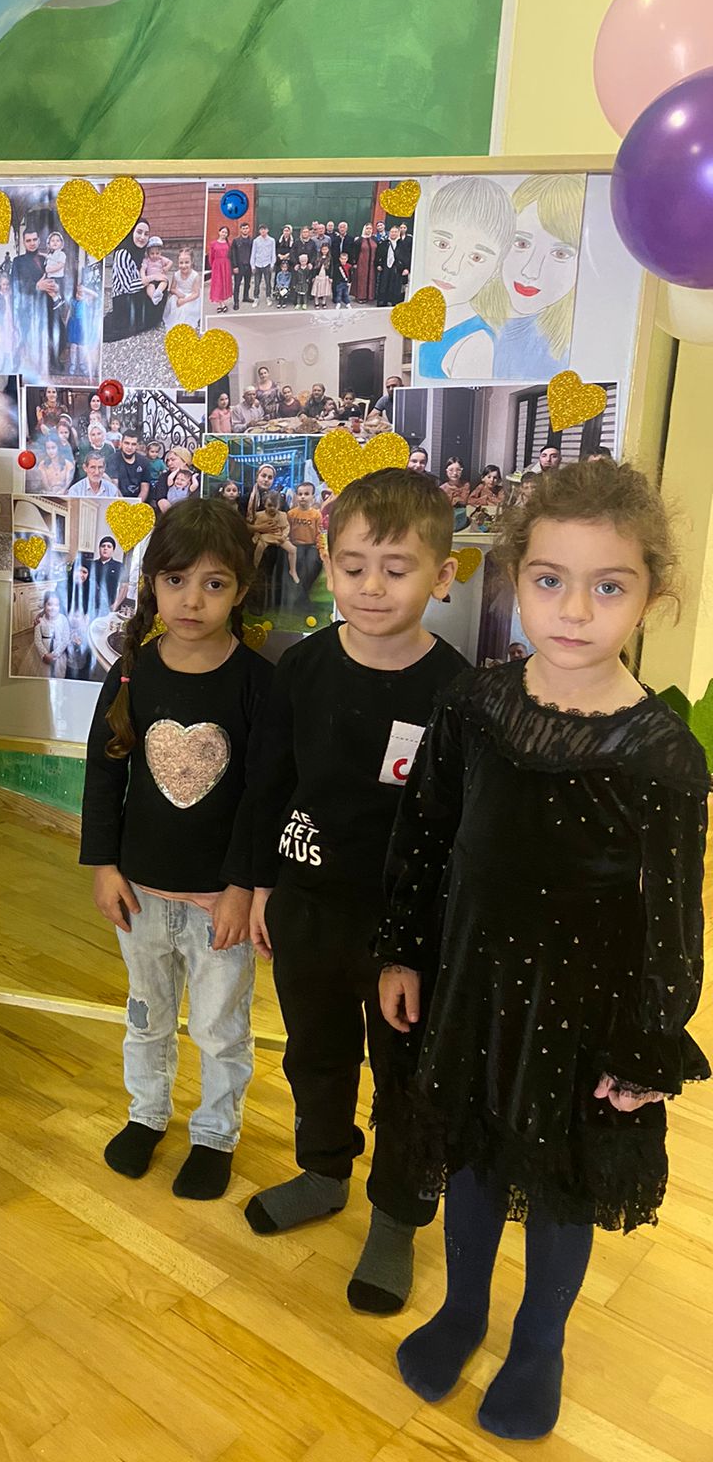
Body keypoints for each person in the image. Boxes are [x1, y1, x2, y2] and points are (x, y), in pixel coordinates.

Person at [376, 462, 708, 1441]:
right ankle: (464, 1310)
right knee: (472, 1159)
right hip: (472, 987)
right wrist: (403, 951)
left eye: (609, 586)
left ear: (652, 594)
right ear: (515, 576)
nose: (575, 609)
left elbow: (674, 919)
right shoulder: (472, 707)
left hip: (583, 1013)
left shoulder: (661, 754)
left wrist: (647, 1046)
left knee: (560, 1184)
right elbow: (425, 836)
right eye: (551, 580)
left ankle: (538, 1344)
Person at [247, 469, 470, 1320]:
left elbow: (457, 830)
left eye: (396, 569)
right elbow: (268, 787)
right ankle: (323, 1170)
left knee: (406, 1075)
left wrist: (423, 942)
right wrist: (258, 884)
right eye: (353, 566)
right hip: (307, 908)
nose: (371, 587)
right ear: (329, 565)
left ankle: (397, 1215)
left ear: (441, 576)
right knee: (315, 1051)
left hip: (405, 931)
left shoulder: (458, 694)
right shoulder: (301, 668)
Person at [80, 498, 272, 1199]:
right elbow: (104, 772)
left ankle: (215, 1134)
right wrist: (104, 865)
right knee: (146, 1015)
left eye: (214, 584)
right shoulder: (133, 671)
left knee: (220, 1029)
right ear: (152, 584)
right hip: (140, 892)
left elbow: (266, 796)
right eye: (176, 580)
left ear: (240, 591)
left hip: (220, 901)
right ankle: (147, 1114)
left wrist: (244, 888)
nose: (193, 600)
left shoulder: (258, 683)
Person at [475, 173, 584, 380]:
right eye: (522, 243)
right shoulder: (461, 315)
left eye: (560, 254)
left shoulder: (567, 354)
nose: (531, 271)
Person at [415, 178, 515, 379]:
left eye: (476, 257)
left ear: (496, 270)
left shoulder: (474, 342)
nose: (451, 267)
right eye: (442, 244)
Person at [10, 227, 51, 375]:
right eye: (28, 240)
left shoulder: (46, 260)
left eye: (34, 239)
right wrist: (36, 286)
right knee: (24, 341)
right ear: (24, 242)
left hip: (44, 307)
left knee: (43, 340)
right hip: (26, 309)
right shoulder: (18, 262)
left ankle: (43, 369)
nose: (32, 243)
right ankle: (19, 371)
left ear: (39, 241)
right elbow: (16, 286)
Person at [105, 219, 150, 341]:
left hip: (136, 298)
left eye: (146, 234)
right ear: (131, 232)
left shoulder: (139, 253)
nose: (142, 237)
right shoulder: (123, 253)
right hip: (123, 300)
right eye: (139, 232)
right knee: (123, 330)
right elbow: (127, 287)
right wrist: (150, 279)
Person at [250, 491, 299, 581]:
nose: (272, 508)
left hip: (279, 537)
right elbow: (257, 528)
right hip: (265, 537)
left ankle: (293, 570)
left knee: (293, 549)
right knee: (259, 548)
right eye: (269, 505)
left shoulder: (283, 515)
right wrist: (256, 536)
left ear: (279, 506)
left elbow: (286, 527)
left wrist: (284, 536)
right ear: (264, 504)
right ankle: (254, 568)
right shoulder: (259, 515)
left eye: (275, 506)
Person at [287, 481, 323, 599]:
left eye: (306, 494)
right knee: (299, 561)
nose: (303, 497)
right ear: (296, 496)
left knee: (313, 563)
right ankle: (299, 593)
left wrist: (320, 548)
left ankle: (304, 591)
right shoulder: (291, 514)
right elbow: (287, 531)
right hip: (295, 546)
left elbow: (319, 534)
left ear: (313, 496)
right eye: (300, 494)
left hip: (311, 545)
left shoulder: (316, 515)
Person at [151, 446, 201, 513]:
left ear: (184, 461)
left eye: (173, 460)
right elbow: (161, 499)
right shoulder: (165, 476)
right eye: (168, 460)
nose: (169, 463)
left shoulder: (196, 478)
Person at [34, 591, 71, 679]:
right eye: (49, 604)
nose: (53, 608)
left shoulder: (63, 619)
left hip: (58, 655)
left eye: (56, 605)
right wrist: (44, 654)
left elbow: (65, 639)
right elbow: (37, 640)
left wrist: (54, 654)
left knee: (59, 674)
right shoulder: (40, 621)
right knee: (45, 675)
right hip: (44, 654)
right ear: (44, 605)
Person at [164, 247, 202, 329]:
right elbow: (172, 289)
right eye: (181, 263)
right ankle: (175, 321)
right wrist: (178, 294)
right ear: (178, 263)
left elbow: (196, 293)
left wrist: (184, 300)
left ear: (192, 262)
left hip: (191, 296)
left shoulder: (195, 276)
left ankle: (185, 324)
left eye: (187, 262)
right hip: (180, 294)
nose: (183, 265)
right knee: (174, 303)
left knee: (185, 307)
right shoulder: (176, 274)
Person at [140, 236, 173, 329]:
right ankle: (153, 297)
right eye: (152, 253)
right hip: (151, 279)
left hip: (160, 278)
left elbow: (170, 262)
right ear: (148, 253)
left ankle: (158, 292)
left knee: (164, 282)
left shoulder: (161, 259)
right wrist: (143, 277)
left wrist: (166, 268)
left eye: (157, 253)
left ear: (160, 253)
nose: (155, 255)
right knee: (150, 287)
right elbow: (142, 269)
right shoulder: (146, 261)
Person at [110, 431, 152, 501]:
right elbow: (114, 487)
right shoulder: (113, 459)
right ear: (121, 443)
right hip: (119, 500)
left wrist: (136, 504)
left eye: (133, 444)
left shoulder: (144, 462)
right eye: (127, 443)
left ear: (137, 446)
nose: (130, 447)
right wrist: (124, 504)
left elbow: (145, 489)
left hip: (139, 502)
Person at [208, 224, 233, 315]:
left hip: (226, 265)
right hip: (217, 266)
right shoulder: (213, 243)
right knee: (218, 284)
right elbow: (211, 256)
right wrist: (213, 266)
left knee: (224, 284)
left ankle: (222, 303)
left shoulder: (229, 243)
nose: (224, 234)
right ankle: (220, 304)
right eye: (223, 232)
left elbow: (231, 255)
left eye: (226, 232)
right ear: (219, 232)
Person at [251, 225, 276, 306]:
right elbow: (253, 253)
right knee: (256, 283)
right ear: (259, 231)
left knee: (268, 282)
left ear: (267, 230)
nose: (263, 231)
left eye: (264, 229)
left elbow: (273, 253)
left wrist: (272, 264)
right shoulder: (256, 241)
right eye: (261, 230)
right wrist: (252, 265)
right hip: (258, 264)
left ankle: (268, 297)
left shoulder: (271, 240)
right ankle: (256, 298)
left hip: (267, 263)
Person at [230, 220, 253, 309]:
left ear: (249, 229)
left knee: (247, 283)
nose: (245, 230)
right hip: (239, 266)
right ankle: (236, 302)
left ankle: (245, 297)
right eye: (243, 228)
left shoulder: (252, 240)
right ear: (240, 230)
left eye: (246, 228)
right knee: (237, 285)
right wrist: (234, 266)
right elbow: (233, 254)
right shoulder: (236, 241)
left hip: (249, 265)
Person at [353, 222, 378, 304]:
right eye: (367, 228)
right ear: (364, 229)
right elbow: (355, 252)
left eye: (370, 228)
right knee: (362, 279)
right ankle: (361, 296)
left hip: (372, 264)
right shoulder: (359, 240)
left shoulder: (374, 239)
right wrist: (355, 263)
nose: (369, 230)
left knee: (371, 279)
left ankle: (370, 296)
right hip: (362, 263)